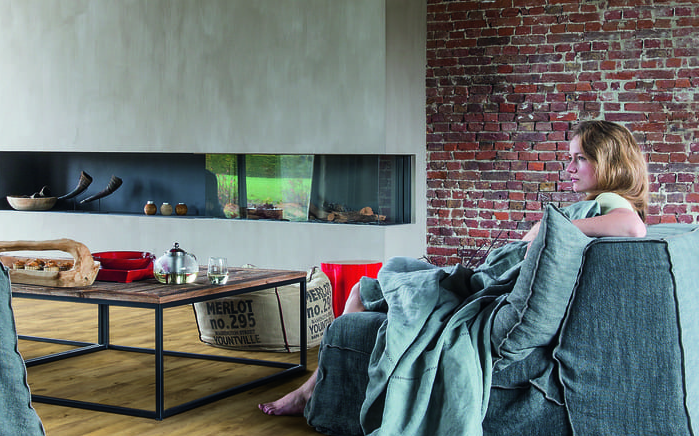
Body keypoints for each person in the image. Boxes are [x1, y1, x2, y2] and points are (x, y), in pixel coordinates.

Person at [258, 119, 649, 417]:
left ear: (609, 161)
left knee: (365, 288)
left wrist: (548, 228)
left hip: (481, 292)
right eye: (570, 157)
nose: (570, 167)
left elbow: (633, 227)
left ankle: (315, 391)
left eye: (581, 158)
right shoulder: (600, 203)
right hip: (483, 285)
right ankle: (318, 389)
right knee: (373, 287)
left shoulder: (612, 201)